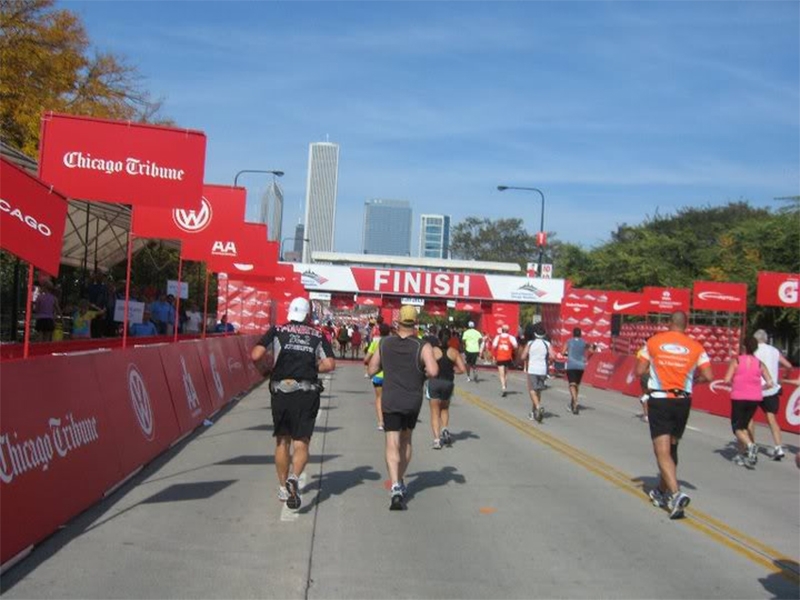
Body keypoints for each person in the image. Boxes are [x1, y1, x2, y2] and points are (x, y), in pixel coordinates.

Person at [251, 297, 335, 510]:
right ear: (308, 315)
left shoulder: (278, 330)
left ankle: (282, 486)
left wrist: (263, 370)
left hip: (281, 390)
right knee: (301, 442)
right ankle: (295, 477)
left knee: (282, 441)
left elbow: (256, 354)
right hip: (306, 391)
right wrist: (311, 367)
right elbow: (330, 364)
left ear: (290, 313)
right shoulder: (317, 334)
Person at [635, 311, 713, 519]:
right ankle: (661, 491)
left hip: (660, 399)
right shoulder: (696, 347)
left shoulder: (653, 342)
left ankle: (676, 494)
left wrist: (655, 374)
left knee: (661, 450)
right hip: (683, 400)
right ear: (686, 325)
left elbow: (639, 369)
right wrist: (693, 381)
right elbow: (709, 375)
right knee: (672, 447)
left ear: (669, 323)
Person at [368, 305, 438, 510]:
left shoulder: (385, 343)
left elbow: (372, 369)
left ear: (397, 322)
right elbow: (433, 371)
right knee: (406, 439)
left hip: (390, 398)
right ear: (415, 323)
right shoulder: (422, 345)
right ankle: (400, 478)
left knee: (392, 440)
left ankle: (395, 485)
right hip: (412, 399)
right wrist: (421, 373)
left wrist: (386, 367)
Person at [723, 336, 775, 468]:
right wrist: (759, 388)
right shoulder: (759, 363)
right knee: (744, 426)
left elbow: (726, 379)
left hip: (739, 397)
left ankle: (751, 445)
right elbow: (770, 383)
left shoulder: (737, 361)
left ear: (743, 347)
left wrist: (734, 383)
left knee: (737, 428)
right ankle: (741, 455)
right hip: (754, 398)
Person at [751, 329, 793, 460]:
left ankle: (751, 445)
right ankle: (778, 447)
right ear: (766, 338)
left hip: (755, 388)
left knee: (750, 417)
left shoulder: (754, 351)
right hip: (771, 389)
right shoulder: (774, 350)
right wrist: (785, 376)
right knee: (771, 419)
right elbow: (788, 365)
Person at [426, 327, 467, 449]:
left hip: (435, 382)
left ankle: (437, 440)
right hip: (448, 383)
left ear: (438, 337)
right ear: (450, 338)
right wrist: (453, 370)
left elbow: (427, 367)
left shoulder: (433, 351)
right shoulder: (454, 352)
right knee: (444, 409)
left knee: (434, 412)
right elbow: (463, 369)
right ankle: (444, 428)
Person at [519, 322, 556, 423]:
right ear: (544, 335)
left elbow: (522, 356)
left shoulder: (530, 343)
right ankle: (533, 412)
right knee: (538, 391)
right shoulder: (547, 344)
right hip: (543, 370)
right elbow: (553, 356)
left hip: (532, 369)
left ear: (535, 334)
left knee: (532, 390)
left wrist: (527, 357)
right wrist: (549, 361)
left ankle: (538, 407)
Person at [364, 322, 391, 430]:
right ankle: (389, 420)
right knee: (389, 398)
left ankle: (381, 422)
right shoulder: (392, 342)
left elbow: (366, 359)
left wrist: (370, 364)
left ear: (379, 331)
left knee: (379, 398)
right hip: (390, 375)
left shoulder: (375, 342)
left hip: (378, 374)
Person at [565, 327, 590, 415]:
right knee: (576, 385)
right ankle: (573, 403)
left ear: (573, 334)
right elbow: (590, 349)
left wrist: (566, 353)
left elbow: (562, 351)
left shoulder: (569, 341)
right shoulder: (584, 342)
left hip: (571, 365)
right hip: (580, 366)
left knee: (572, 384)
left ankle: (575, 402)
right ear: (580, 334)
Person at [492, 324, 518, 397]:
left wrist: (494, 356)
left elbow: (494, 346)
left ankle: (503, 387)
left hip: (500, 357)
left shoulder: (498, 337)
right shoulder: (511, 337)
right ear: (508, 330)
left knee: (501, 374)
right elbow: (516, 346)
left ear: (502, 330)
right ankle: (505, 385)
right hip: (508, 357)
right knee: (506, 373)